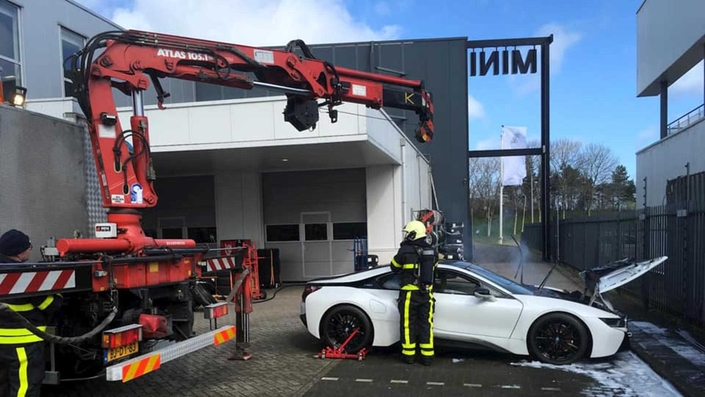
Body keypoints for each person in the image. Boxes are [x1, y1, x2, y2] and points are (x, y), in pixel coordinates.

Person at [0, 229, 62, 397]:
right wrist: (58, 292)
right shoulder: (25, 275)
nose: (30, 250)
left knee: (3, 386)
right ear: (20, 251)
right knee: (24, 387)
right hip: (23, 343)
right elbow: (51, 305)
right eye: (29, 247)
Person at [390, 220, 438, 366]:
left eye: (408, 233)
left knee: (407, 325)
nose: (406, 236)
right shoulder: (431, 251)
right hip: (427, 294)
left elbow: (394, 267)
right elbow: (434, 268)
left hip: (409, 294)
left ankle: (409, 356)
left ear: (413, 234)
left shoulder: (405, 251)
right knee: (426, 325)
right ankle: (427, 357)